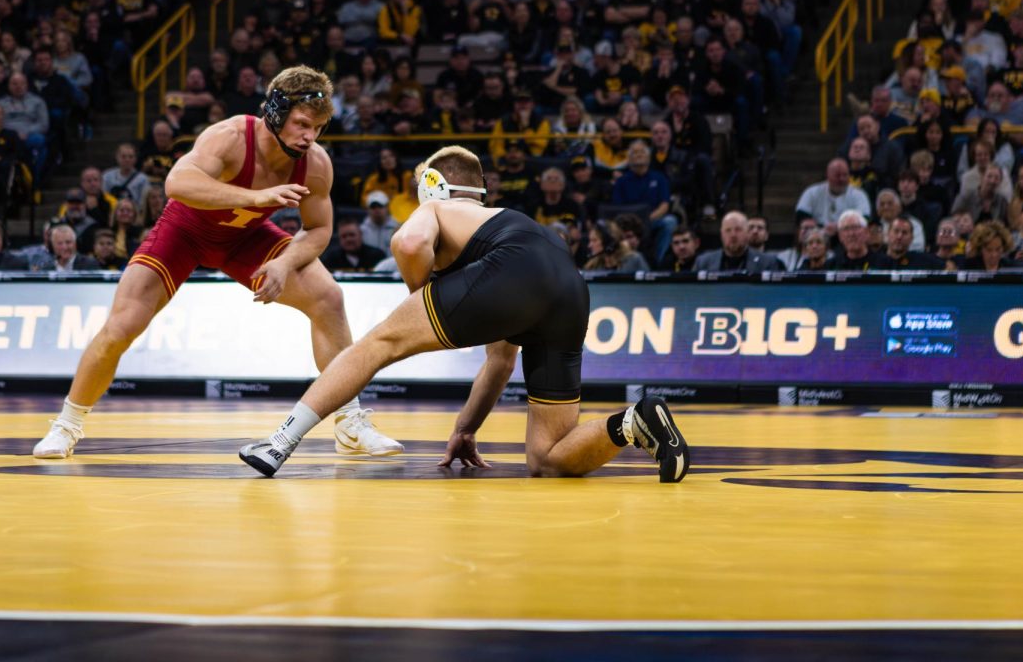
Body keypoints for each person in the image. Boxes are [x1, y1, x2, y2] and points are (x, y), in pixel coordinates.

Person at [239, 145, 689, 482]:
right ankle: (635, 421)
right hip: (569, 287)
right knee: (547, 458)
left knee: (376, 345)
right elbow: (499, 360)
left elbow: (408, 243)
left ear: (432, 186)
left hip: (512, 271)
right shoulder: (507, 221)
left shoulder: (438, 207)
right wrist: (465, 429)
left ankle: (280, 442)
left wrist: (422, 293)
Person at [33, 66, 401, 460]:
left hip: (245, 238)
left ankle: (349, 423)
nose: (310, 136)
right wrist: (255, 198)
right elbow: (177, 183)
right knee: (121, 327)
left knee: (328, 298)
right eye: (302, 124)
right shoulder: (229, 137)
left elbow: (318, 229)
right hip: (185, 231)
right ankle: (66, 425)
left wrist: (284, 263)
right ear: (275, 112)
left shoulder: (315, 164)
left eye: (319, 128)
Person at [693, 211, 784, 273]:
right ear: (721, 234)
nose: (733, 235)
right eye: (728, 230)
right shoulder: (703, 262)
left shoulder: (768, 262)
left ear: (747, 233)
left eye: (738, 230)